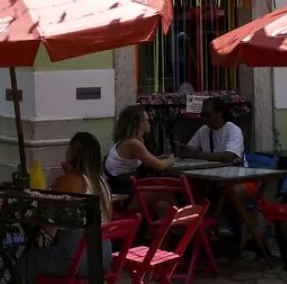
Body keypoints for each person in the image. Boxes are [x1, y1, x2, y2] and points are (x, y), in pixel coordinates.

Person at [16, 133, 114, 282]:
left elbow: (47, 220)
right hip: (103, 256)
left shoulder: (69, 181)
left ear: (74, 153)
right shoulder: (103, 183)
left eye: (68, 148)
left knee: (26, 261)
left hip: (78, 257)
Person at [105, 104, 176, 192]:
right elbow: (160, 166)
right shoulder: (133, 143)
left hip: (124, 183)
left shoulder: (133, 140)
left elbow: (146, 161)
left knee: (162, 198)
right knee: (166, 191)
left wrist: (157, 158)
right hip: (120, 187)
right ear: (138, 123)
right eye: (147, 120)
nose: (150, 123)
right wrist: (171, 159)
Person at [177, 97, 244, 163]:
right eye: (202, 115)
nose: (204, 119)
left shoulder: (234, 130)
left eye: (207, 115)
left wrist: (198, 154)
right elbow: (189, 150)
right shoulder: (203, 130)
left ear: (219, 113)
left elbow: (229, 157)